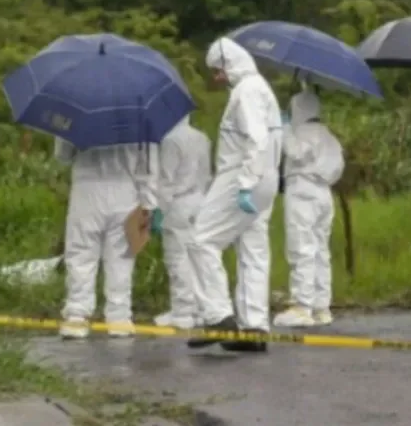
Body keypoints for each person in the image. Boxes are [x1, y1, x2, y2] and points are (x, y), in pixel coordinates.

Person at [185, 37, 283, 352]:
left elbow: (255, 139)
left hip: (244, 174)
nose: (216, 78)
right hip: (266, 176)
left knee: (201, 240)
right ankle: (254, 327)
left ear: (229, 63)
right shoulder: (261, 87)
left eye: (217, 70)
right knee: (253, 248)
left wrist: (244, 182)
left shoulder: (247, 91)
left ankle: (218, 317)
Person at [54, 138, 158, 339]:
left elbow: (63, 156)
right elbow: (147, 165)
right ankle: (119, 318)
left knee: (81, 254)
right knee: (121, 257)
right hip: (126, 191)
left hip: (86, 189)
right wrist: (149, 202)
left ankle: (77, 315)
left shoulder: (77, 108)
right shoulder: (139, 111)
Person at [273, 82, 345, 328]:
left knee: (301, 247)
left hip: (302, 191)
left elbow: (294, 152)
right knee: (320, 249)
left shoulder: (301, 133)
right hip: (324, 194)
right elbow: (337, 168)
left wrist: (283, 127)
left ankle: (302, 306)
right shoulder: (329, 136)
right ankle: (321, 306)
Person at [151, 115, 213, 330]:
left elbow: (167, 180)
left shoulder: (170, 140)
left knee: (177, 258)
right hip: (200, 199)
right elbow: (207, 174)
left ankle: (183, 311)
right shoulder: (202, 138)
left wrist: (159, 210)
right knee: (198, 257)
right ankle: (201, 307)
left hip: (178, 203)